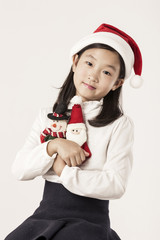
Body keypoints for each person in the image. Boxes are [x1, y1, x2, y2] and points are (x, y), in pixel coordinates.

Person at [5, 23, 143, 240]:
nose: (93, 75)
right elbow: (19, 169)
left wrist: (65, 172)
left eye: (106, 72)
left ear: (117, 83)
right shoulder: (46, 115)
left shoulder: (119, 124)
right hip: (44, 216)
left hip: (90, 221)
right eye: (89, 63)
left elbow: (116, 184)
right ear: (75, 62)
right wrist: (53, 146)